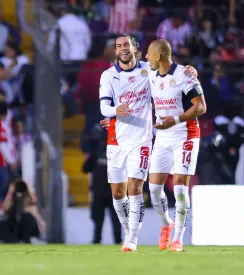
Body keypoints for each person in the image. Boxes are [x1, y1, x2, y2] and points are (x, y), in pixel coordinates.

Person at [98, 34, 197, 252]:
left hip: (142, 139)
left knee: (135, 188)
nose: (123, 49)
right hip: (116, 139)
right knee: (117, 193)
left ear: (134, 48)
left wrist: (190, 72)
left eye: (126, 45)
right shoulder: (108, 76)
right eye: (118, 46)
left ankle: (132, 239)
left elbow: (169, 70)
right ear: (115, 51)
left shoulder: (148, 70)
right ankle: (128, 230)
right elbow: (104, 108)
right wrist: (115, 111)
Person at [145, 39, 207, 252]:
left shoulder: (184, 76)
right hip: (162, 137)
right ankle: (166, 224)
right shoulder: (150, 73)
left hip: (185, 135)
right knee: (154, 190)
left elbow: (201, 107)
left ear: (158, 56)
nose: (145, 57)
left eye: (148, 54)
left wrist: (175, 120)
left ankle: (178, 239)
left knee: (180, 187)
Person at [83, 124, 122, 244]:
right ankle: (99, 240)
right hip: (102, 191)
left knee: (115, 219)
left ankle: (115, 240)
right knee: (99, 219)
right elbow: (85, 168)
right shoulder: (98, 153)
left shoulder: (118, 151)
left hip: (112, 191)